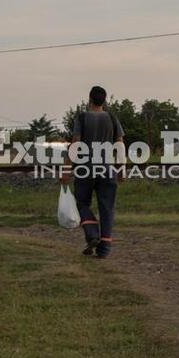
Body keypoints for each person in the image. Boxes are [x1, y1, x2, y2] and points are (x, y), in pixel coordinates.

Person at [62, 86, 124, 258]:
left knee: (82, 203)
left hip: (85, 169)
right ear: (104, 100)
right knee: (107, 208)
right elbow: (119, 144)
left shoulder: (82, 117)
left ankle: (92, 234)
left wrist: (66, 169)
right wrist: (121, 168)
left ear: (89, 99)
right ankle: (104, 250)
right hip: (107, 169)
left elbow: (75, 143)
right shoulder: (112, 117)